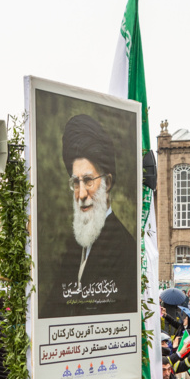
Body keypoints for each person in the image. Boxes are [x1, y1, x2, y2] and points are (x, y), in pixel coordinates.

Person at [38, 113, 136, 317]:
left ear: (107, 183)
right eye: (76, 182)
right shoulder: (75, 244)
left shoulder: (125, 249)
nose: (81, 194)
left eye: (89, 180)